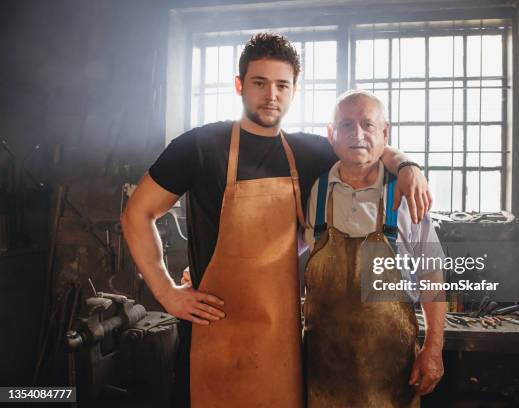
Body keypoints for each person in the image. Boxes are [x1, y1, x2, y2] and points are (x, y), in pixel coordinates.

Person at [121, 33, 432, 407]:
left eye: (282, 85)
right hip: (212, 330)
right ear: (239, 85)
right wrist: (166, 292)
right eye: (259, 83)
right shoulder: (198, 147)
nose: (271, 95)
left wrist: (407, 165)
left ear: (294, 90)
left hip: (281, 341)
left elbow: (365, 141)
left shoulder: (308, 151)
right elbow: (137, 214)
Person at [303, 90, 446, 407]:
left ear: (385, 132)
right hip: (323, 378)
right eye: (346, 125)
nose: (357, 135)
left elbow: (431, 274)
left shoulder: (406, 194)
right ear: (331, 134)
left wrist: (433, 347)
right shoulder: (315, 191)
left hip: (391, 379)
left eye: (368, 125)